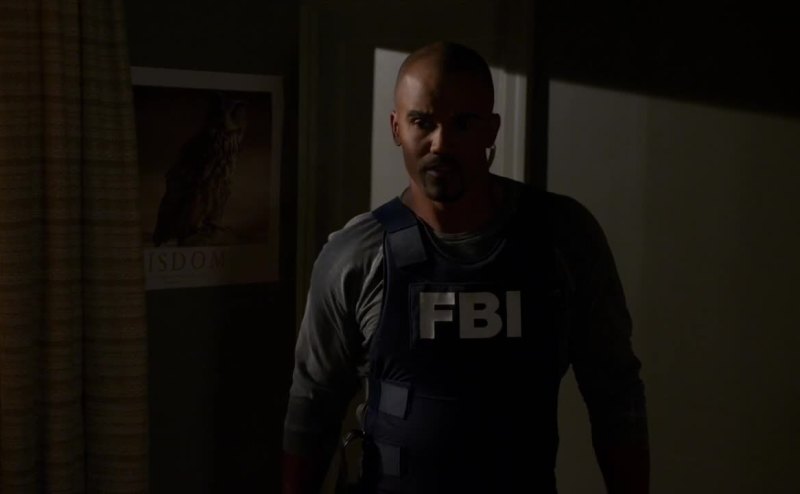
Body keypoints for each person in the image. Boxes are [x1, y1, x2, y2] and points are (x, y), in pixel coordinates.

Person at [282, 41, 649, 494]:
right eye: (423, 122)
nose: (441, 143)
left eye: (463, 123)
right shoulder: (357, 254)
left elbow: (615, 391)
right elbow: (312, 403)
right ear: (396, 128)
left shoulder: (562, 237)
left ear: (491, 130)